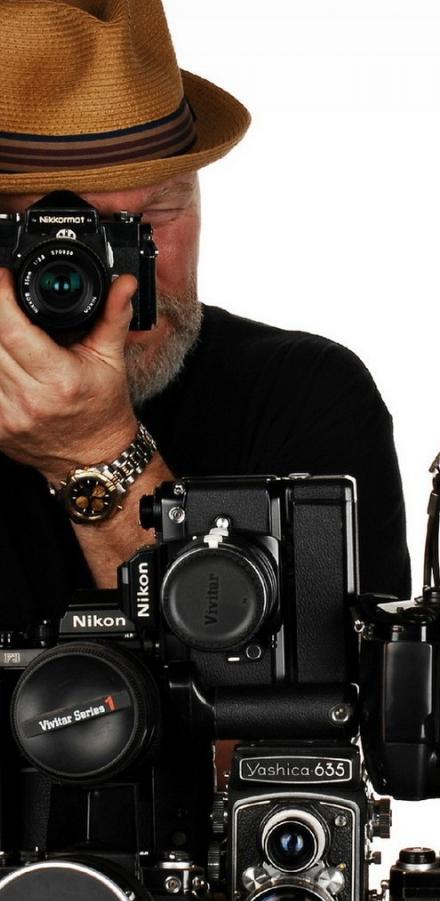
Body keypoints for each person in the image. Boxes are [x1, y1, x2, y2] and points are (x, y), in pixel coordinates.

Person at [0, 0, 410, 634]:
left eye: (159, 212)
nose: (132, 273)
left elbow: (323, 697)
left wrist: (97, 452)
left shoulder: (304, 396)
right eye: (79, 235)